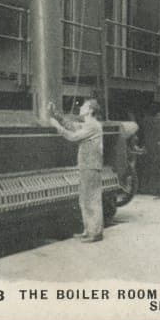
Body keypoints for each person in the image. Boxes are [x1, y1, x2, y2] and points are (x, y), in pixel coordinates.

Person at [46, 99, 105, 243]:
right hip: (87, 166)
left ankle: (95, 233)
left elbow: (73, 136)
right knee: (85, 200)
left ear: (90, 110)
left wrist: (56, 126)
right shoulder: (88, 124)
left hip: (91, 166)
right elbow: (71, 126)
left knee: (91, 200)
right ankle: (89, 230)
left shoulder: (92, 125)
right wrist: (56, 114)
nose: (81, 107)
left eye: (84, 106)